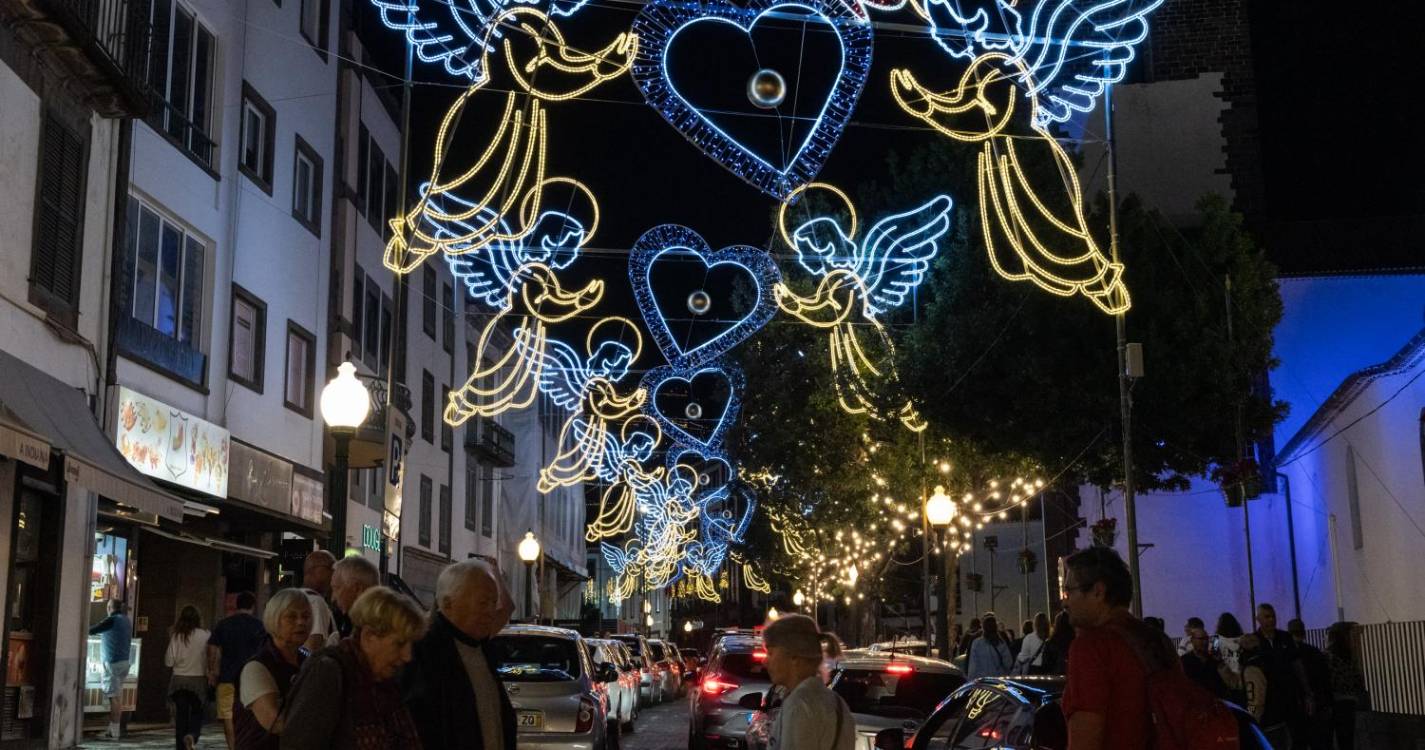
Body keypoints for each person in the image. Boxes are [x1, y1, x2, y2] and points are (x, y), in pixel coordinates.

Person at [1059, 546, 1176, 749]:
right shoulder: (1160, 641)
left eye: (1069, 591)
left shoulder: (1092, 648)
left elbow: (1085, 738)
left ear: (1098, 591)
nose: (1065, 602)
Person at [280, 587, 426, 748]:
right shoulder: (328, 672)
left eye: (410, 644)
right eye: (399, 644)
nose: (407, 655)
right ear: (369, 636)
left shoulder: (385, 681)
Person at [402, 559, 517, 750]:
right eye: (482, 602)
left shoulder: (479, 645)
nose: (491, 611)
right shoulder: (423, 652)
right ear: (448, 604)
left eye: (493, 602)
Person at [764, 614, 855, 750]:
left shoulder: (798, 706)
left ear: (794, 656)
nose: (764, 661)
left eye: (770, 653)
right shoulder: (838, 703)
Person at [235, 589, 312, 750]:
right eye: (291, 617)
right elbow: (276, 723)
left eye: (305, 616)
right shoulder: (257, 667)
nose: (301, 622)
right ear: (274, 620)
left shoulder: (309, 661)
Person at [209, 592, 268, 750]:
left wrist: (212, 670)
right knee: (252, 714)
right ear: (253, 606)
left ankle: (233, 747)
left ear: (237, 605)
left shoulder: (224, 624)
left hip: (227, 677)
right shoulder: (260, 626)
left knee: (228, 716)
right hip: (253, 679)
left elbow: (213, 648)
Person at [1255, 603, 1310, 744]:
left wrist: (1306, 691)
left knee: (1297, 736)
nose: (1271, 620)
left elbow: (1297, 666)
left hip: (1288, 695)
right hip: (1270, 698)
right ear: (1258, 619)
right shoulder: (1255, 641)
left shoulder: (1285, 638)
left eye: (1273, 616)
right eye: (1267, 617)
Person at [165, 605, 211, 750]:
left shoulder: (177, 636)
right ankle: (192, 735)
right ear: (198, 619)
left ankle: (180, 746)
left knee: (181, 716)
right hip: (198, 681)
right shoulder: (206, 635)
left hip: (179, 681)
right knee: (198, 712)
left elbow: (168, 661)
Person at [89, 599, 133, 739]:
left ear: (109, 607)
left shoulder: (112, 620)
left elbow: (91, 630)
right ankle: (112, 729)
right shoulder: (126, 620)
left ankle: (113, 732)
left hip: (112, 664)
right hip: (124, 663)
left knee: (114, 699)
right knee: (117, 697)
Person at [1288, 618, 1334, 750]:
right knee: (1318, 742)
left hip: (1297, 707)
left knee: (1299, 742)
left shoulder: (1287, 654)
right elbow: (1326, 679)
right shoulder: (1315, 653)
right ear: (1304, 633)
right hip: (1318, 704)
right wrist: (1328, 703)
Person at [1241, 633, 1292, 749]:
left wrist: (1251, 718)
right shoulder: (1271, 661)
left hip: (1266, 725)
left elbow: (1255, 701)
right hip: (1279, 720)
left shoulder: (1252, 668)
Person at [1324, 622, 1364, 750]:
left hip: (1334, 701)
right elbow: (1356, 678)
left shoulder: (1328, 656)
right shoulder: (1348, 656)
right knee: (1346, 740)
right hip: (1345, 701)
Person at [328, 555, 380, 645]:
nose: (333, 598)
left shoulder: (377, 631)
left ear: (357, 589)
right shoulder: (347, 626)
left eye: (336, 588)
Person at [1180, 626, 1230, 699]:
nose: (1205, 642)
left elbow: (1224, 684)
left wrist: (1220, 662)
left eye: (1207, 639)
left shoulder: (1214, 659)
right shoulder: (1185, 660)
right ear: (1192, 640)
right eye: (1201, 639)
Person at [301, 551, 337, 653]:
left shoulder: (297, 598)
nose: (333, 573)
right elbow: (312, 646)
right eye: (330, 568)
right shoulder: (316, 602)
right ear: (314, 569)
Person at [967, 614, 1014, 679]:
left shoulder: (977, 643)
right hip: (999, 680)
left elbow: (973, 667)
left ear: (983, 627)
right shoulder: (1001, 643)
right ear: (996, 627)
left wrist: (971, 680)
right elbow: (1008, 663)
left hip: (983, 681)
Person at [1038, 610, 1074, 676]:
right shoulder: (1075, 642)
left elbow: (1045, 665)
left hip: (1055, 677)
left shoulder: (1051, 643)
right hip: (1072, 676)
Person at [1214, 611, 1246, 677]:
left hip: (1225, 674)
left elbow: (1215, 657)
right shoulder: (1243, 639)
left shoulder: (1216, 640)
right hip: (1242, 673)